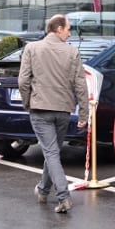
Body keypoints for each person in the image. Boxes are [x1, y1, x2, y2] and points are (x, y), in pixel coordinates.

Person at [18, 14, 89, 213]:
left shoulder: (32, 48)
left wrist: (27, 103)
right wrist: (83, 114)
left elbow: (23, 82)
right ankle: (43, 190)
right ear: (58, 29)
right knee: (53, 153)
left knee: (51, 153)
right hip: (63, 111)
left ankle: (63, 196)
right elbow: (81, 85)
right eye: (68, 28)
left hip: (40, 109)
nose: (69, 32)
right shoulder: (72, 52)